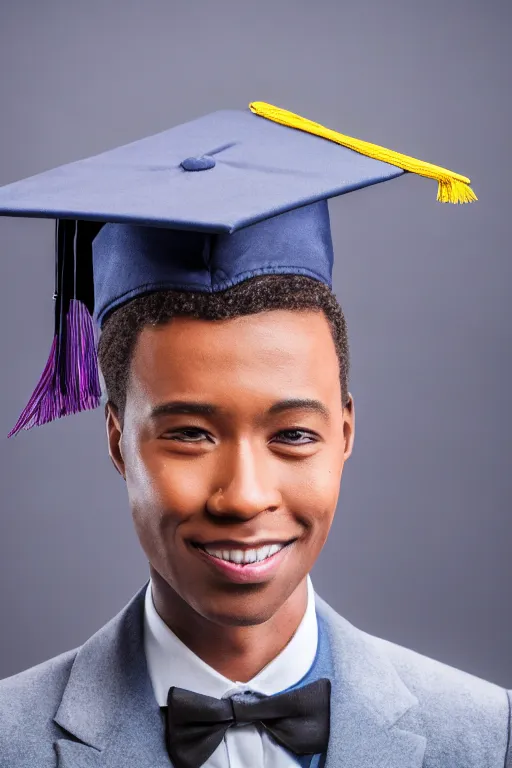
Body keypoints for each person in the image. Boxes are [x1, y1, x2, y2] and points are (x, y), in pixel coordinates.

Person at [0, 102, 509, 768]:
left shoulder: (484, 740)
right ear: (118, 439)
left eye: (293, 435)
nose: (243, 497)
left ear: (345, 432)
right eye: (189, 433)